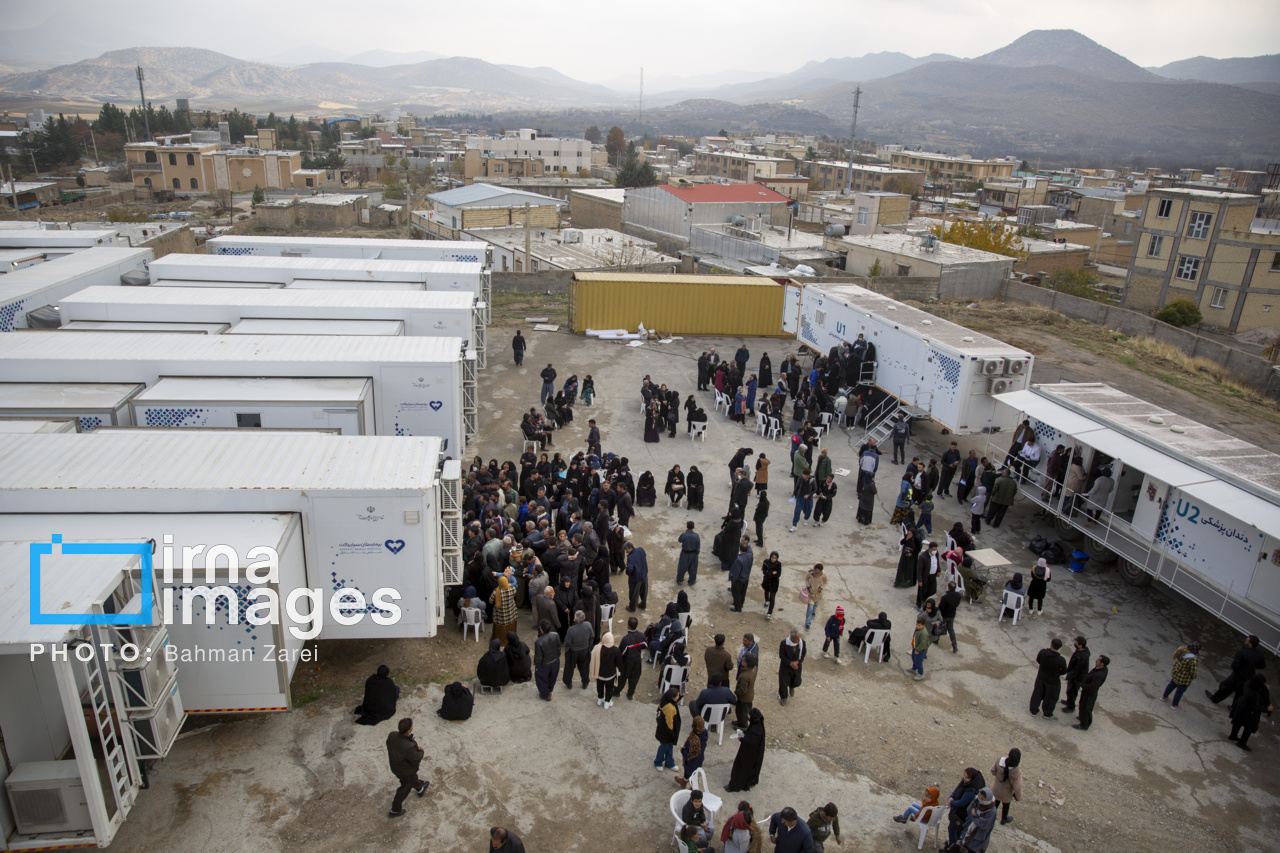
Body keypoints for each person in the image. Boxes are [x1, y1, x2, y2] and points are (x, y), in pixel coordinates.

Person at [385, 717, 428, 818]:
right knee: (405, 788)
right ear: (408, 730)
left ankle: (420, 788)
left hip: (395, 765)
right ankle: (395, 810)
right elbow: (416, 758)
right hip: (405, 771)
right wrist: (421, 751)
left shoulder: (392, 735)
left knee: (411, 779)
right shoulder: (408, 746)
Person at [1206, 634, 1266, 707]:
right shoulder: (1259, 655)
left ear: (1250, 644)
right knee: (1240, 692)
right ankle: (1234, 707)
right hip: (1248, 676)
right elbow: (1262, 666)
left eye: (1247, 640)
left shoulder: (1242, 652)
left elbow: (1235, 665)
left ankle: (1215, 698)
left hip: (1237, 675)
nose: (1246, 640)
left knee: (1225, 686)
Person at [1228, 673, 1272, 752]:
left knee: (1237, 722)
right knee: (1249, 727)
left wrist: (1264, 688)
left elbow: (1257, 688)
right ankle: (1242, 743)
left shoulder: (1247, 684)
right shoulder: (1255, 694)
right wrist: (1267, 709)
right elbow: (1256, 707)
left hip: (1241, 705)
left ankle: (1233, 735)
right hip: (1249, 711)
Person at [726, 708, 766, 792]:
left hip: (747, 755)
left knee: (740, 769)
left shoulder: (755, 730)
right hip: (753, 755)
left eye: (749, 715)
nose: (747, 716)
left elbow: (749, 741)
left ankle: (735, 786)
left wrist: (741, 738)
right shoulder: (758, 726)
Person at [945, 767, 985, 848]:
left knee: (953, 829)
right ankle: (954, 845)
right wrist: (951, 797)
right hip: (957, 811)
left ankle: (952, 847)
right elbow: (957, 789)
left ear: (971, 778)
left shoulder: (970, 791)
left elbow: (962, 802)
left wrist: (952, 803)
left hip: (961, 815)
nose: (964, 779)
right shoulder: (965, 782)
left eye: (967, 777)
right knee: (956, 830)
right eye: (964, 776)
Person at [1030, 638, 1067, 718]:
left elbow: (1038, 660)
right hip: (1053, 681)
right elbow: (1064, 671)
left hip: (1041, 677)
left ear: (1051, 644)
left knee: (1037, 693)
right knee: (1050, 698)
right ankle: (1047, 713)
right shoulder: (1061, 660)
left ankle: (1033, 710)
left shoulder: (1043, 652)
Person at [1074, 655, 1110, 731]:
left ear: (1102, 664)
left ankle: (1084, 725)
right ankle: (1082, 718)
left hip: (1089, 693)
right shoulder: (1100, 668)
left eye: (1098, 660)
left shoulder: (1099, 675)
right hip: (1087, 692)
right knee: (1082, 705)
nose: (1096, 660)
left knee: (1086, 708)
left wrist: (1083, 685)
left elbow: (1092, 687)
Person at [1162, 641, 1201, 709]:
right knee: (1180, 691)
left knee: (1171, 685)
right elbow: (1193, 671)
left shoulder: (1182, 651)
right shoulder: (1193, 659)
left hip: (1176, 673)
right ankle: (1174, 705)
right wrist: (1193, 676)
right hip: (1184, 678)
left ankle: (1164, 697)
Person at [676, 715, 711, 790]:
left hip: (692, 762)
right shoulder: (704, 733)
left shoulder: (694, 741)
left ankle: (692, 788)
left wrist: (682, 749)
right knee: (690, 772)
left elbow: (689, 755)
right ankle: (684, 781)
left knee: (691, 774)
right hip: (700, 759)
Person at [958, 788, 999, 852]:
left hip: (978, 836)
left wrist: (974, 815)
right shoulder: (977, 800)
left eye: (982, 799)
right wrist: (977, 818)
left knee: (972, 849)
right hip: (969, 828)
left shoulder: (992, 811)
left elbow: (983, 825)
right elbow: (969, 809)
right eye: (980, 797)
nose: (980, 799)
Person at [990, 748, 1022, 825]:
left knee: (994, 805)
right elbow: (1017, 788)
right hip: (1007, 794)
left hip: (996, 789)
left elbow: (992, 771)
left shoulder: (999, 760)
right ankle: (1004, 819)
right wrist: (1019, 797)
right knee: (1006, 806)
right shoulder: (1017, 772)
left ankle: (990, 818)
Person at [589, 631, 621, 708]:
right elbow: (619, 663)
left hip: (599, 674)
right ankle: (607, 701)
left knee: (599, 687)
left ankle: (600, 699)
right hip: (610, 675)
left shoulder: (597, 648)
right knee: (609, 688)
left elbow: (592, 656)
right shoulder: (616, 650)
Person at [618, 616, 647, 701]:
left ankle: (617, 691)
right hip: (637, 660)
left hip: (628, 661)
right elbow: (644, 646)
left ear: (628, 626)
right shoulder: (641, 636)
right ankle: (630, 693)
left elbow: (622, 653)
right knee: (634, 678)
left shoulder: (626, 639)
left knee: (623, 677)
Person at [655, 687, 683, 771]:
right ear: (672, 698)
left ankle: (669, 762)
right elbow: (669, 723)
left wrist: (681, 695)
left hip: (662, 729)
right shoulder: (670, 709)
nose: (678, 697)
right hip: (667, 732)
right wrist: (672, 733)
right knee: (664, 747)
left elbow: (674, 702)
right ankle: (658, 761)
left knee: (669, 747)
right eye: (677, 696)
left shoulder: (665, 701)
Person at [564, 611, 594, 690]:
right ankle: (585, 682)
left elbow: (567, 643)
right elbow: (592, 637)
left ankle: (568, 683)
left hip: (573, 652)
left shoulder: (571, 630)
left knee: (569, 668)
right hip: (584, 650)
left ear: (576, 620)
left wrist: (567, 651)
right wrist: (588, 646)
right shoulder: (588, 625)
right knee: (584, 667)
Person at [533, 618, 562, 701]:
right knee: (552, 678)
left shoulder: (539, 642)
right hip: (555, 661)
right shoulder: (555, 635)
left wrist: (537, 666)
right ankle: (549, 691)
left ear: (541, 629)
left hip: (544, 664)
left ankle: (545, 695)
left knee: (541, 679)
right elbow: (559, 648)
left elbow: (538, 657)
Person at [1061, 636, 1091, 713]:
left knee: (1072, 692)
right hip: (1073, 674)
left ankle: (1070, 707)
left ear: (1081, 645)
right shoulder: (1079, 651)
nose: (1075, 644)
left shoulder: (1083, 657)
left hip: (1076, 677)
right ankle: (1069, 701)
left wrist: (1076, 679)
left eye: (1076, 643)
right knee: (1069, 690)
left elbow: (1080, 670)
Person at [779, 629, 806, 705]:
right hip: (786, 666)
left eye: (799, 638)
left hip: (797, 666)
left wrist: (797, 662)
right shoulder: (784, 643)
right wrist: (790, 663)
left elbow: (803, 654)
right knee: (783, 683)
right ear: (792, 638)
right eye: (796, 638)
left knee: (797, 681)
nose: (798, 640)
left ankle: (792, 686)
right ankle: (783, 697)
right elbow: (782, 656)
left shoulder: (802, 643)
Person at [489, 575, 518, 644]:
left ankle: (501, 642)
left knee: (499, 630)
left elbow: (490, 601)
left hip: (500, 616)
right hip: (510, 614)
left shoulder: (496, 592)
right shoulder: (512, 589)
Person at [734, 652, 758, 731]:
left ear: (747, 663)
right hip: (749, 695)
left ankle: (743, 726)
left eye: (743, 660)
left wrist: (736, 692)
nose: (742, 661)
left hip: (744, 698)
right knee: (743, 711)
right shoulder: (754, 669)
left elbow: (742, 690)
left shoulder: (745, 676)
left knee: (742, 712)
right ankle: (740, 721)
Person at [729, 540, 754, 612]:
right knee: (743, 592)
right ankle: (741, 604)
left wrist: (733, 579)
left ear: (740, 549)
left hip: (738, 579)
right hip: (745, 577)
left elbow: (736, 572)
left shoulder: (739, 560)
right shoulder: (750, 556)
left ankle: (737, 607)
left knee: (736, 593)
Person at [916, 541, 941, 610]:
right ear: (929, 549)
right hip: (925, 576)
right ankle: (918, 605)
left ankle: (923, 599)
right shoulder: (923, 557)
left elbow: (937, 562)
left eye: (936, 550)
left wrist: (938, 570)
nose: (935, 551)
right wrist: (920, 580)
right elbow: (919, 569)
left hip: (933, 575)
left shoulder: (936, 554)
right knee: (921, 591)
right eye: (934, 550)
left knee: (933, 590)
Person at [939, 581, 962, 653]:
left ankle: (936, 640)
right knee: (951, 630)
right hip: (952, 615)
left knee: (939, 626)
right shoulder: (958, 595)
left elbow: (941, 608)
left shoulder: (945, 597)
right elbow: (957, 604)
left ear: (948, 587)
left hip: (944, 615)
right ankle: (954, 644)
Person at [625, 541, 648, 612]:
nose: (626, 551)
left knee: (634, 593)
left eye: (627, 549)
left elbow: (629, 569)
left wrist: (627, 572)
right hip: (644, 575)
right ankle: (643, 604)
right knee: (644, 592)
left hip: (636, 578)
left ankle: (632, 608)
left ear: (631, 548)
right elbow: (644, 555)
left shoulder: (631, 558)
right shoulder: (640, 549)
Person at [802, 563, 826, 631]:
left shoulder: (823, 574)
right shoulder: (810, 573)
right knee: (809, 608)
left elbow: (825, 582)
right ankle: (807, 624)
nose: (817, 571)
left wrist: (821, 587)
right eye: (816, 570)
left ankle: (814, 612)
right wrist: (808, 585)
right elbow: (806, 579)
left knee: (816, 604)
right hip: (811, 593)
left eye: (819, 570)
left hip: (818, 594)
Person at [677, 520, 700, 586]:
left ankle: (680, 580)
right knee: (693, 569)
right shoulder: (696, 536)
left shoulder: (684, 535)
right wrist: (696, 553)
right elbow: (698, 546)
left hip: (685, 553)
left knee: (682, 568)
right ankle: (691, 581)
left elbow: (679, 540)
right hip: (693, 554)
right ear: (693, 527)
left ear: (687, 527)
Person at [908, 615, 930, 681]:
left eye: (919, 625)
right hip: (916, 647)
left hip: (921, 650)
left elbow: (923, 643)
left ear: (923, 625)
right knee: (913, 657)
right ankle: (914, 669)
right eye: (917, 624)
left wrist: (918, 650)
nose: (917, 626)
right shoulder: (918, 630)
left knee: (918, 661)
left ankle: (920, 674)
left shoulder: (923, 633)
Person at [761, 551, 782, 618]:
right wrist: (772, 573)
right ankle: (767, 600)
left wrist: (769, 573)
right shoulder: (766, 562)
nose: (773, 559)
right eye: (772, 557)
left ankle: (769, 612)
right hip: (767, 581)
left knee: (772, 598)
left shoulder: (778, 564)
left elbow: (778, 574)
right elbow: (764, 572)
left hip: (774, 583)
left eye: (775, 558)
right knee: (766, 591)